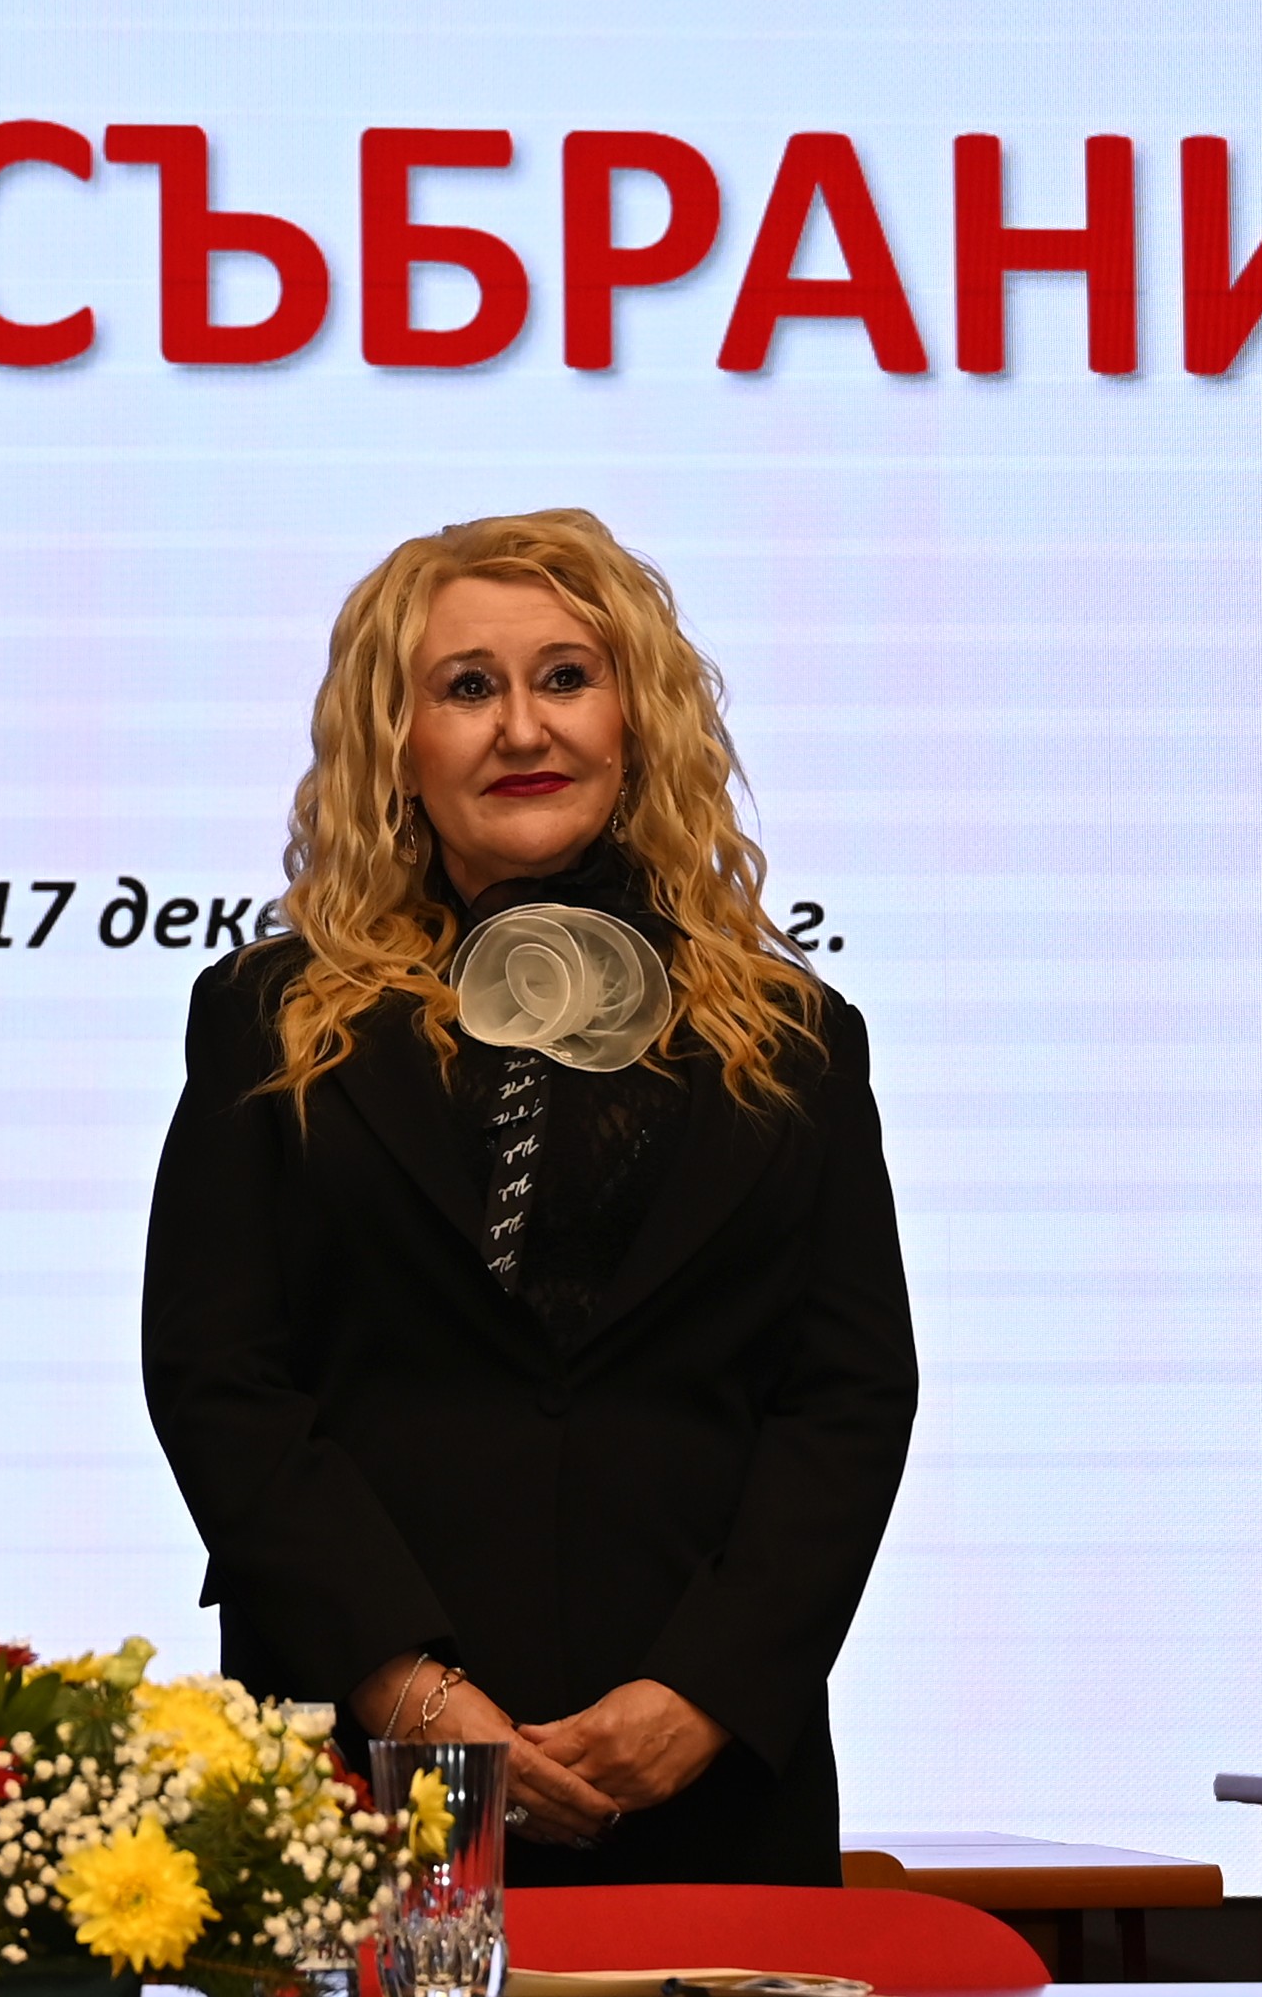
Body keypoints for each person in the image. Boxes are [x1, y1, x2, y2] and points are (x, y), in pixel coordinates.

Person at [143, 509, 916, 1886]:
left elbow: (848, 1396)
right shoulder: (266, 1016)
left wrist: (705, 1689)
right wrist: (407, 1690)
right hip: (361, 1773)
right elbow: (219, 1377)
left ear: (635, 719)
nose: (522, 728)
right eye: (465, 687)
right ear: (396, 743)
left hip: (704, 1782)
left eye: (566, 676)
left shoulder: (796, 1036)